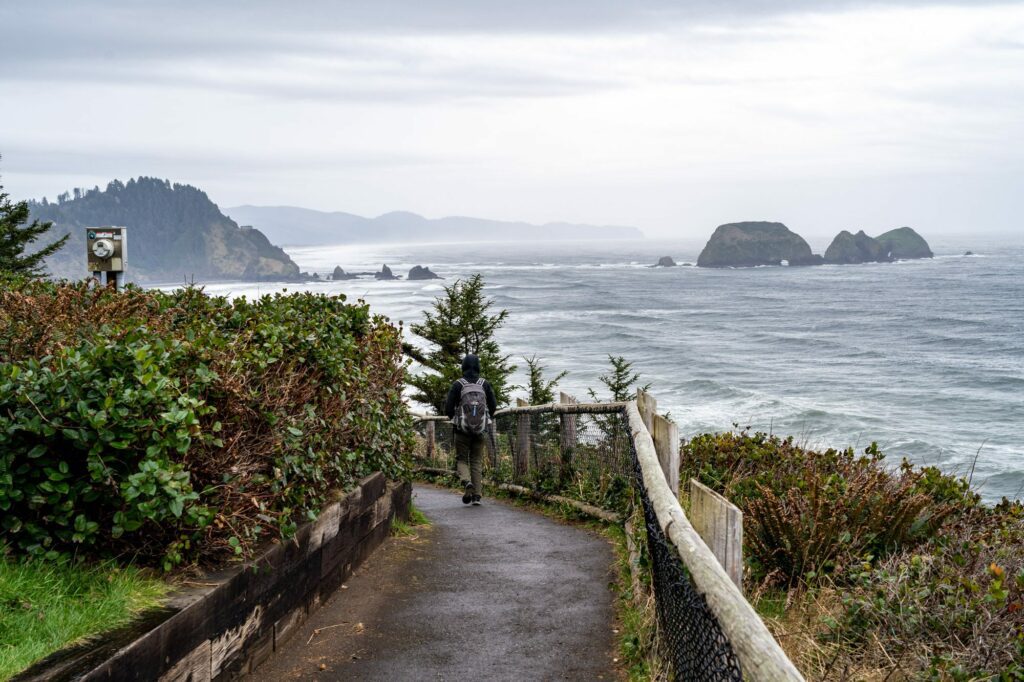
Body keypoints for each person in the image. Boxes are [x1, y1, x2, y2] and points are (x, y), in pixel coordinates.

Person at [445, 354, 497, 505]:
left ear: (464, 366)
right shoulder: (484, 384)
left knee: (461, 459)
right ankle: (477, 496)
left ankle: (467, 482)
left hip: (462, 430)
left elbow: (448, 408)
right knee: (476, 461)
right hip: (481, 430)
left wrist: (455, 420)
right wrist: (484, 422)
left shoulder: (458, 384)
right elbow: (493, 406)